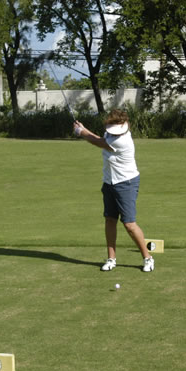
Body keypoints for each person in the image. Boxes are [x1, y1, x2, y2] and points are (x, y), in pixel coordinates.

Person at [73, 109, 154, 272]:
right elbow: (100, 138)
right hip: (109, 182)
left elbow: (97, 142)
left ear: (125, 126)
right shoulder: (111, 133)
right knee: (110, 220)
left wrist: (81, 132)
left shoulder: (122, 141)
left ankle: (148, 258)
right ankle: (111, 259)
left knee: (129, 224)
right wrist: (83, 128)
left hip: (126, 183)